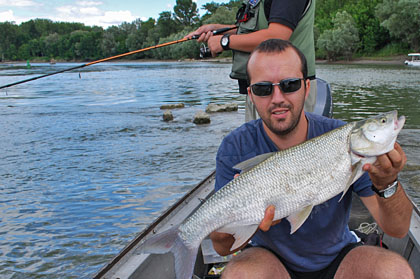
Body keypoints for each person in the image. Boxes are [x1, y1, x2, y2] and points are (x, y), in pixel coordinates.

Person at [211, 39, 414, 279]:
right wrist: (250, 219)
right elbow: (222, 247)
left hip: (339, 257)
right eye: (263, 89)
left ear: (307, 88)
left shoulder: (342, 139)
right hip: (268, 259)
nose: (277, 97)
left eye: (290, 84)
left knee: (395, 272)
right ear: (251, 95)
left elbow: (398, 230)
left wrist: (388, 183)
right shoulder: (235, 147)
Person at [186, 0, 317, 122]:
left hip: (288, 89)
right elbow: (257, 30)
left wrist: (225, 42)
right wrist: (216, 30)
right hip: (261, 89)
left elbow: (278, 36)